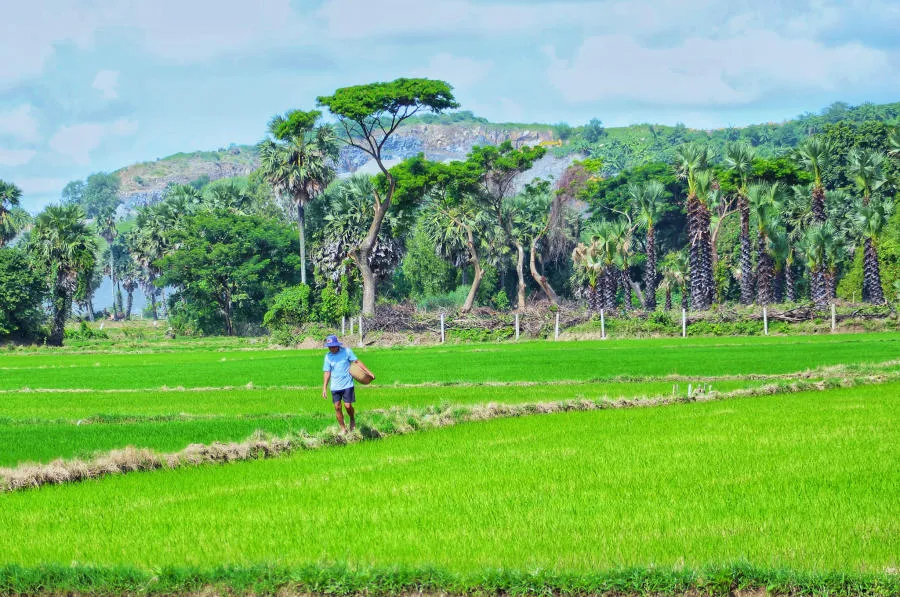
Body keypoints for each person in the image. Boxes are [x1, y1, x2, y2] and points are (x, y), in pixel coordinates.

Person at [321, 334, 372, 432]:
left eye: (333, 346)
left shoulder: (347, 352)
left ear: (337, 345)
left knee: (348, 406)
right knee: (337, 407)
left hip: (347, 384)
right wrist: (324, 388)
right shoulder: (328, 357)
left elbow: (356, 362)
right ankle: (343, 428)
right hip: (335, 386)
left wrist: (368, 372)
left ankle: (352, 418)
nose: (331, 349)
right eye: (329, 347)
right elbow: (327, 372)